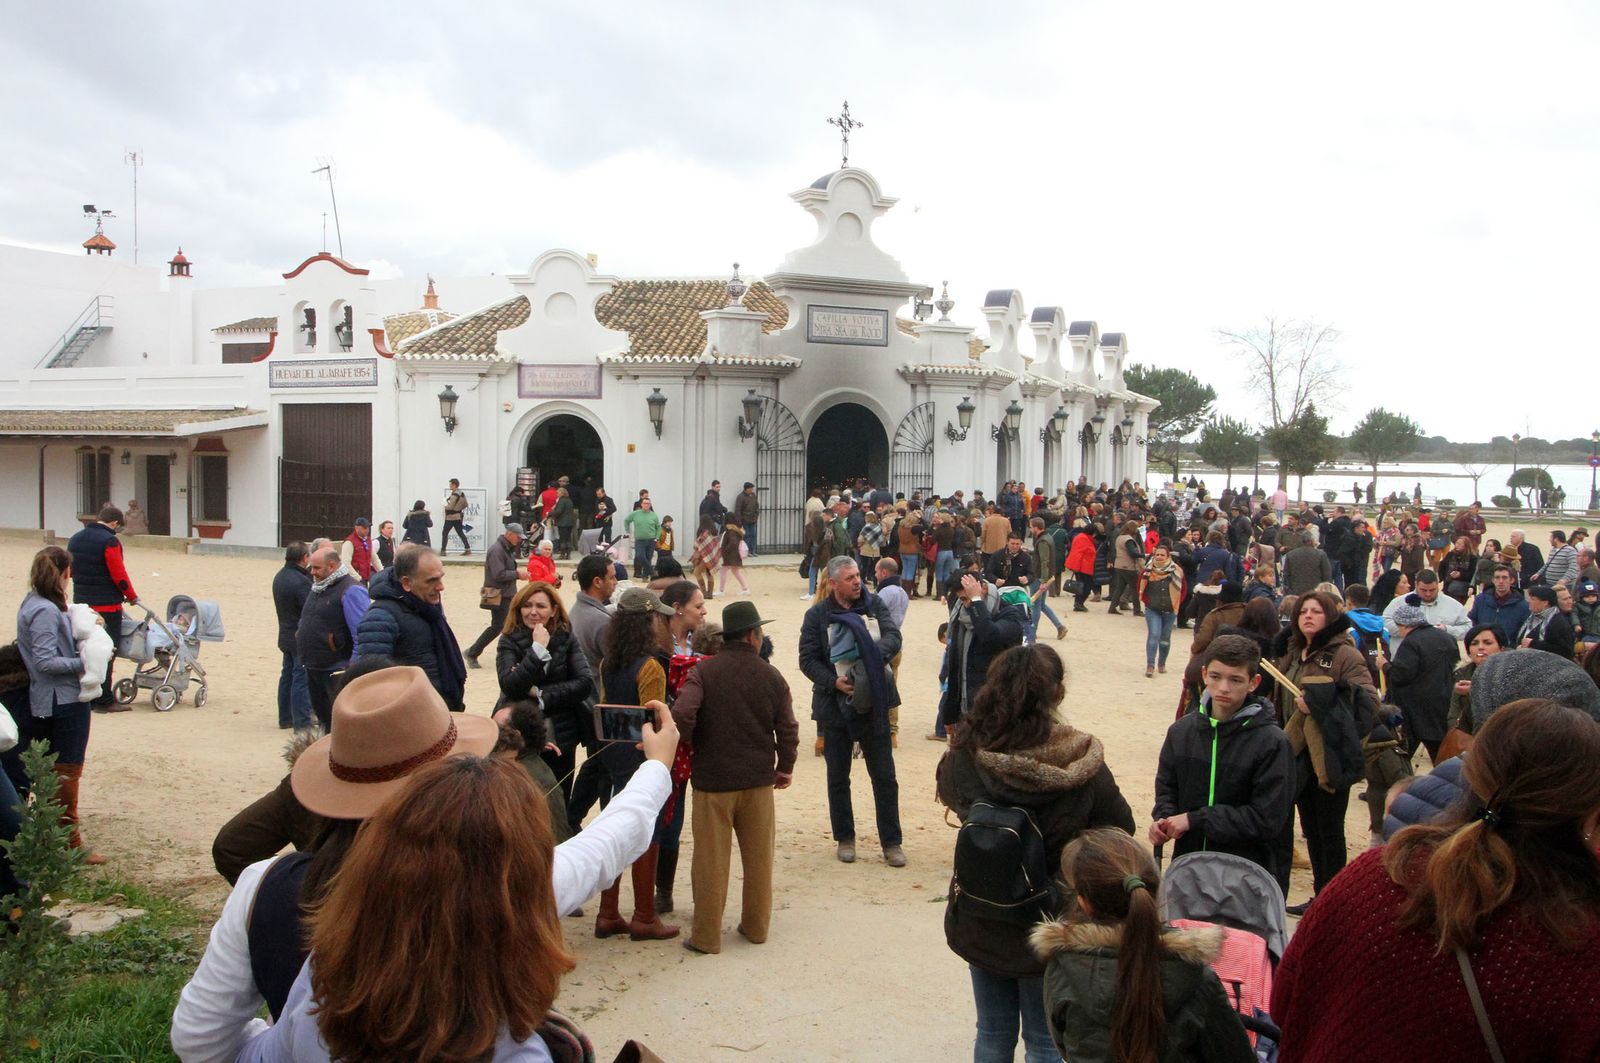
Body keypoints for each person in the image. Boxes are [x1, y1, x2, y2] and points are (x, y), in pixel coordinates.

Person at [230, 728, 676, 1063]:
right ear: (527, 880)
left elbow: (254, 1053)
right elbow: (604, 845)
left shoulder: (319, 982)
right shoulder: (515, 1052)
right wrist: (657, 766)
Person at [1274, 698, 1600, 1062]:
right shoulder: (1576, 947)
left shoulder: (1373, 875)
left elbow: (1285, 1003)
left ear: (1472, 773)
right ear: (1588, 813)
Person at [936, 643, 1134, 1063]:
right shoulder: (1081, 760)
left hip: (981, 910)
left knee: (991, 1032)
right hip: (1051, 917)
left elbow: (953, 798)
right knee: (1044, 1042)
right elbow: (1121, 829)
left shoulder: (965, 754)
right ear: (1057, 694)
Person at [1033, 828, 1254, 1063]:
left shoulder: (1063, 968)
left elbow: (1063, 1043)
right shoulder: (1195, 976)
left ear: (1084, 903)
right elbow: (1235, 1055)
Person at [672, 600, 797, 955]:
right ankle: (756, 928)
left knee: (710, 862)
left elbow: (682, 714)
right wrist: (785, 766)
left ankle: (707, 937)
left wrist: (695, 743)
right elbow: (788, 728)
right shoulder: (770, 675)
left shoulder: (704, 673)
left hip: (713, 780)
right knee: (759, 860)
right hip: (758, 780)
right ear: (754, 636)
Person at [1153, 634, 1294, 893]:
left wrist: (1196, 820)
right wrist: (1164, 818)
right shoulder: (1181, 732)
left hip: (1246, 877)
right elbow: (1166, 788)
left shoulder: (1273, 743)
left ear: (1254, 682)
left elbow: (1266, 818)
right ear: (1204, 674)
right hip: (1188, 870)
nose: (1223, 688)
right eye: (1216, 677)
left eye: (1235, 679)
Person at [1275, 590, 1379, 915]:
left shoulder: (1345, 654)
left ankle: (1332, 900)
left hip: (1330, 752)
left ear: (1330, 617)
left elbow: (1368, 703)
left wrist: (1321, 703)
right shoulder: (1293, 651)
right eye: (1303, 611)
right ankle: (1320, 896)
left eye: (1316, 611)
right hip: (1295, 750)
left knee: (1329, 828)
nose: (1307, 616)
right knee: (1308, 826)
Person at [798, 556, 906, 866]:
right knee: (837, 777)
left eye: (858, 575)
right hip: (834, 706)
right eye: (850, 578)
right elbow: (808, 660)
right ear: (833, 583)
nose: (858, 581)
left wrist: (868, 663)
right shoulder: (818, 615)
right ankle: (845, 838)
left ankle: (891, 843)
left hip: (874, 702)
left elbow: (893, 637)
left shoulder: (873, 605)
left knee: (885, 776)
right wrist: (834, 682)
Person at [592, 586, 681, 941]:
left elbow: (604, 707)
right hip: (642, 757)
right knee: (648, 830)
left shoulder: (606, 663)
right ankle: (644, 915)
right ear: (649, 622)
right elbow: (656, 718)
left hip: (613, 751)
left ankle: (608, 912)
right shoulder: (650, 666)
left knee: (615, 828)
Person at [15, 546, 102, 864]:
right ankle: (69, 842)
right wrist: (87, 662)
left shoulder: (37, 604)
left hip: (53, 698)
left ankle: (52, 834)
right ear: (66, 572)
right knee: (67, 770)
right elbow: (44, 661)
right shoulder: (45, 610)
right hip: (61, 699)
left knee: (54, 770)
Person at [496, 580, 595, 800]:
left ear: (554, 610)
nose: (533, 612)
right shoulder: (509, 640)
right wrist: (537, 650)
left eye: (540, 606)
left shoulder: (566, 638)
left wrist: (540, 694)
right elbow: (510, 685)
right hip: (520, 732)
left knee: (558, 796)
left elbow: (584, 683)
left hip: (561, 732)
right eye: (527, 605)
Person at [355, 547, 466, 712]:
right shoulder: (380, 617)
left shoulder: (427, 608)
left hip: (439, 709)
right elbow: (374, 680)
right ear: (406, 583)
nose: (441, 587)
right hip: (412, 717)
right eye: (431, 580)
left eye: (441, 578)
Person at [66, 504, 139, 712]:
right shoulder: (110, 541)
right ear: (114, 523)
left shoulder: (75, 538)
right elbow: (119, 574)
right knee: (107, 650)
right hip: (107, 605)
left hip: (83, 604)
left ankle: (86, 694)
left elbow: (70, 569)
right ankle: (104, 699)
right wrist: (131, 596)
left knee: (84, 649)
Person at [938, 571, 1027, 737]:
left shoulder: (1010, 615)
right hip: (967, 709)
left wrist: (976, 600)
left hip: (998, 709)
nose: (966, 605)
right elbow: (955, 666)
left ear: (983, 588)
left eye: (968, 598)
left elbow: (989, 634)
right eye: (962, 600)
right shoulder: (960, 618)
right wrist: (949, 714)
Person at [295, 547, 371, 732]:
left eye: (316, 568)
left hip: (336, 668)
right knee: (324, 720)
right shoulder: (318, 587)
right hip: (313, 665)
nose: (312, 572)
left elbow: (361, 632)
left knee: (339, 723)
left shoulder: (351, 590)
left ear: (332, 566)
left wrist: (352, 667)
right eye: (311, 568)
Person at [1385, 602, 1460, 763]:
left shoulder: (1411, 642)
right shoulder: (1447, 638)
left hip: (1415, 709)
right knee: (1441, 755)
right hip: (1445, 702)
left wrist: (1384, 666)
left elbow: (1401, 675)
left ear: (1404, 625)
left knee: (1402, 756)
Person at [464, 523, 526, 669]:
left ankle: (516, 655)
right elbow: (498, 574)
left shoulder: (505, 549)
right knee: (498, 626)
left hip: (507, 593)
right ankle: (472, 652)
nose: (519, 540)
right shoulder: (497, 550)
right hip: (500, 595)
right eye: (518, 537)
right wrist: (518, 574)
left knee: (512, 624)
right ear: (509, 534)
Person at [271, 543, 314, 732]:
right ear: (304, 558)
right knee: (300, 677)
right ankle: (302, 722)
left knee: (287, 675)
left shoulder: (280, 576)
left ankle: (285, 717)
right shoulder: (301, 581)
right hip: (298, 634)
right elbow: (309, 609)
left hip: (285, 632)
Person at [1382, 568, 1471, 652]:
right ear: (1416, 584)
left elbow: (1468, 628)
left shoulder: (1453, 605)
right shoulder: (1399, 603)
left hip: (1438, 661)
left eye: (1432, 590)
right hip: (1405, 660)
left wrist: (1446, 630)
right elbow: (1384, 624)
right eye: (1423, 590)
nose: (1428, 594)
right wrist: (1409, 629)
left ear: (1438, 585)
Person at [1448, 623, 1506, 733]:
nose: (1480, 647)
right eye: (1474, 644)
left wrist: (1475, 691)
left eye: (1487, 643)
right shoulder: (1462, 673)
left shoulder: (1511, 673)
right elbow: (1454, 711)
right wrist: (1455, 733)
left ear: (1501, 648)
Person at [1137, 543, 1184, 678]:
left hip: (1170, 610)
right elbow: (1140, 587)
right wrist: (1146, 601)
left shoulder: (1177, 571)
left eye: (1162, 555)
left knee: (1165, 638)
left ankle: (1162, 663)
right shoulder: (1147, 571)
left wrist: (1176, 603)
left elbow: (1183, 590)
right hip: (1153, 609)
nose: (1159, 557)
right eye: (1157, 554)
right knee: (1154, 635)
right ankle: (1150, 665)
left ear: (1168, 556)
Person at [1468, 563, 1530, 646]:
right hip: (1484, 646)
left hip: (1508, 650)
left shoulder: (1523, 605)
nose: (1501, 581)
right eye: (1497, 577)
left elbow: (1524, 630)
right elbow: (1472, 620)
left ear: (1512, 580)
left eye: (1504, 578)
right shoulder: (1480, 600)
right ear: (1493, 580)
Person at [1517, 584, 1576, 659]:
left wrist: (1533, 644)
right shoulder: (1531, 619)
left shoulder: (1557, 622)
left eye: (1532, 599)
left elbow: (1565, 651)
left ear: (1545, 603)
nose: (1528, 601)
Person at [1107, 519, 1145, 615]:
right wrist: (1143, 555)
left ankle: (1112, 607)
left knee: (1119, 588)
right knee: (1135, 588)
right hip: (1128, 566)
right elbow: (1132, 553)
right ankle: (1137, 610)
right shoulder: (1129, 540)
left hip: (1119, 565)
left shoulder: (1120, 537)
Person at [624, 497, 661, 580]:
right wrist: (628, 531)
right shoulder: (635, 513)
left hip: (651, 540)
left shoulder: (653, 515)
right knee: (640, 556)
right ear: (641, 504)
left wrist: (656, 538)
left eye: (648, 503)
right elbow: (626, 520)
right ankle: (652, 572)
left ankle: (645, 576)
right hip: (640, 540)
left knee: (648, 558)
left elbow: (658, 527)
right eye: (644, 503)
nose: (646, 505)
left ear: (650, 505)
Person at [718, 521, 750, 596]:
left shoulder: (730, 532)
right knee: (735, 571)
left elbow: (732, 543)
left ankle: (721, 590)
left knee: (723, 571)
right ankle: (745, 589)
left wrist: (725, 550)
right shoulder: (737, 531)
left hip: (730, 556)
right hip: (735, 556)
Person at [338, 518, 373, 584]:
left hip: (366, 578)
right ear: (356, 528)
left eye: (368, 528)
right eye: (364, 528)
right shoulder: (349, 542)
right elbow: (345, 563)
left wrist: (382, 571)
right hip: (354, 580)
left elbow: (374, 557)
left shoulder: (368, 540)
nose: (367, 530)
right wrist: (358, 578)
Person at [441, 477, 469, 555]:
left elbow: (450, 507)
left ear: (454, 485)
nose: (450, 486)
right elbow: (466, 504)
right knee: (460, 533)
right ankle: (467, 548)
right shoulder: (461, 494)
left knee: (445, 533)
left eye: (450, 484)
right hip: (458, 517)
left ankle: (443, 550)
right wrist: (458, 509)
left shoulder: (454, 495)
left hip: (450, 517)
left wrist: (444, 505)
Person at [733, 481, 761, 556]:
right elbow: (738, 510)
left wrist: (756, 516)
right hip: (744, 521)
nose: (752, 490)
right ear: (746, 489)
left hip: (753, 520)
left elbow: (757, 506)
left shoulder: (753, 495)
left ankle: (753, 550)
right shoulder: (740, 497)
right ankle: (747, 551)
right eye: (751, 488)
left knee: (753, 535)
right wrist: (739, 521)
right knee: (746, 536)